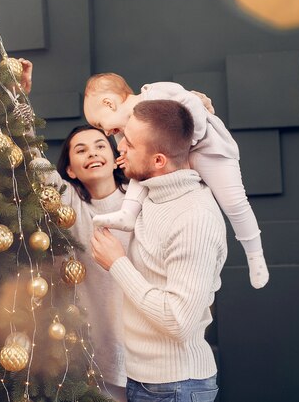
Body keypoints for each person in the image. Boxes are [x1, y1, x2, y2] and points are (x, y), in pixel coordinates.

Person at [91, 99, 226, 402]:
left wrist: (118, 264)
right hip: (142, 380)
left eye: (130, 143)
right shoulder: (150, 192)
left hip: (176, 386)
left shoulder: (194, 218)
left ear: (159, 161)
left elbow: (179, 322)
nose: (119, 147)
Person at [84, 73, 269, 289]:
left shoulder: (155, 93)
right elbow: (131, 156)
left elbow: (193, 104)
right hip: (173, 157)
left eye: (100, 123)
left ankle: (255, 255)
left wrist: (184, 139)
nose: (105, 131)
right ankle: (128, 213)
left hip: (207, 147)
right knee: (139, 172)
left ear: (110, 103)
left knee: (235, 202)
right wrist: (127, 156)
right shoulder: (124, 129)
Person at [31, 125, 130, 402]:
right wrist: (16, 95)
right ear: (71, 170)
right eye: (81, 150)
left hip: (149, 358)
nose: (92, 153)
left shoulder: (140, 199)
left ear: (115, 157)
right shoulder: (70, 205)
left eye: (100, 146)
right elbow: (35, 160)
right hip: (96, 358)